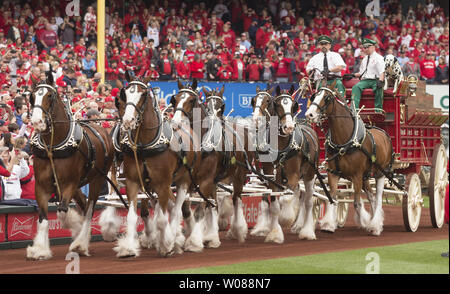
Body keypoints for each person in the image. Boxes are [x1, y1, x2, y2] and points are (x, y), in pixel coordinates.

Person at [351, 38, 385, 111]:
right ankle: (354, 109)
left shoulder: (379, 58)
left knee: (378, 88)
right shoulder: (365, 58)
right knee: (356, 87)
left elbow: (382, 71)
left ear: (373, 47)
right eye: (364, 47)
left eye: (368, 47)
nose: (366, 49)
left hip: (375, 80)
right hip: (365, 80)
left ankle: (378, 110)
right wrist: (353, 75)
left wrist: (381, 80)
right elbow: (361, 73)